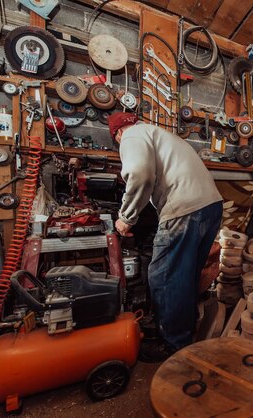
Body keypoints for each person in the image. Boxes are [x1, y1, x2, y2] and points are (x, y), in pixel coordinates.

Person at [108, 112, 223, 361]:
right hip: (211, 206)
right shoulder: (161, 135)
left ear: (117, 134)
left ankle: (174, 345)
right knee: (186, 274)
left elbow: (140, 174)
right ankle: (185, 328)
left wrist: (126, 217)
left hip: (184, 208)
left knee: (164, 276)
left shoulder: (131, 135)